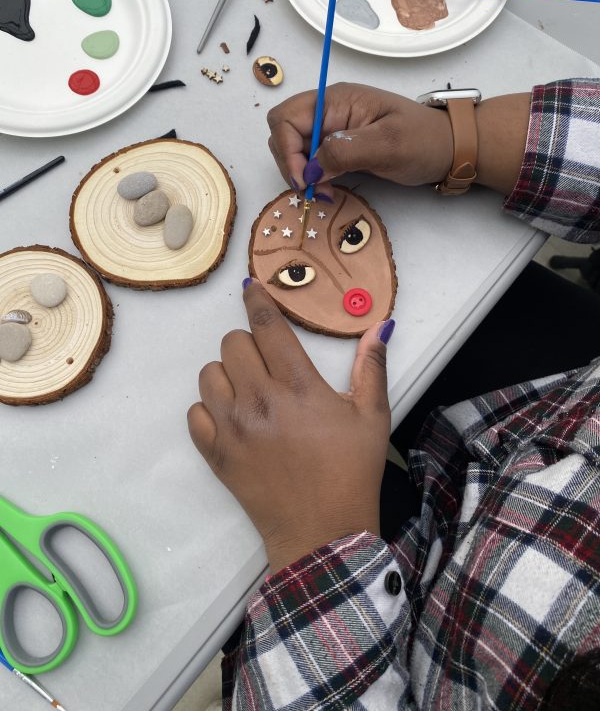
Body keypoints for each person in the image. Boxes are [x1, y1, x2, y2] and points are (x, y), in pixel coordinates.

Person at [187, 79, 600, 710]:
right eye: (300, 268)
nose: (339, 275)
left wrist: (315, 537)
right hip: (552, 402)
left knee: (210, 508)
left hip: (396, 635)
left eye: (344, 246)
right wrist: (463, 137)